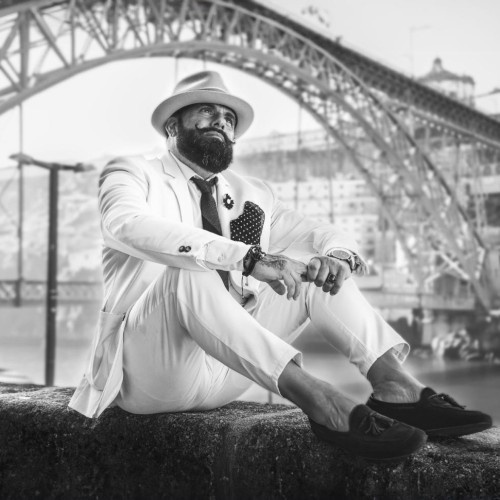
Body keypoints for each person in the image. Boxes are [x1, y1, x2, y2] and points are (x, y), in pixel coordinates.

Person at [69, 71, 492, 461]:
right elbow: (125, 225)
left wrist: (338, 256)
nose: (221, 122)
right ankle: (318, 399)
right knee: (189, 268)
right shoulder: (133, 172)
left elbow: (319, 233)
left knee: (315, 271)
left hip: (227, 371)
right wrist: (248, 257)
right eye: (207, 111)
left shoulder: (253, 193)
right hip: (153, 375)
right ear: (172, 125)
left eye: (228, 119)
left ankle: (395, 387)